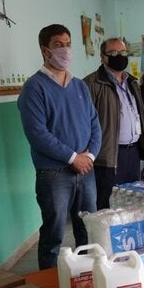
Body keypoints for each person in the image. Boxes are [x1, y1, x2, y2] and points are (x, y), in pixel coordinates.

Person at [18, 24, 102, 270]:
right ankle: (49, 286)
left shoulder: (79, 86)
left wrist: (90, 156)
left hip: (86, 171)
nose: (65, 50)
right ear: (45, 51)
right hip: (54, 174)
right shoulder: (34, 88)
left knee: (88, 230)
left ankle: (89, 277)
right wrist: (73, 157)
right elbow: (37, 134)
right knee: (54, 234)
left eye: (67, 44)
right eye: (58, 45)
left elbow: (95, 123)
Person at [85, 38, 144, 209]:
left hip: (133, 151)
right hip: (108, 156)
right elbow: (85, 122)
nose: (119, 56)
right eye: (113, 53)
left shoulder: (132, 82)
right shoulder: (91, 84)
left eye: (122, 53)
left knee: (131, 202)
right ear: (102, 57)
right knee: (108, 205)